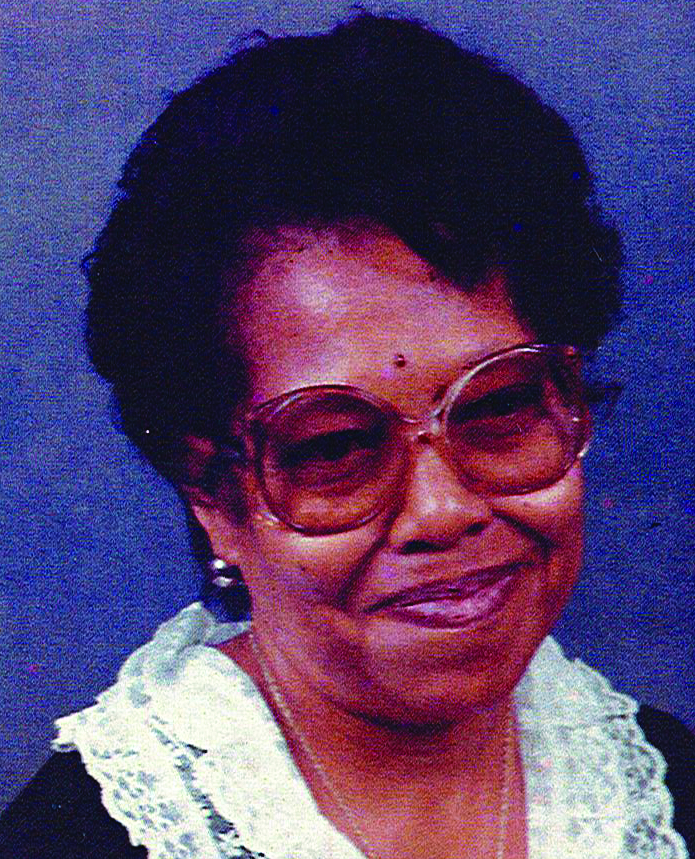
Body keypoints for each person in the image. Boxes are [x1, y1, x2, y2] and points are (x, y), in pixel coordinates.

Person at [1, 12, 693, 859]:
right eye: (334, 447)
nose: (441, 511)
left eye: (496, 408)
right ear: (211, 495)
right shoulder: (72, 842)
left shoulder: (663, 790)